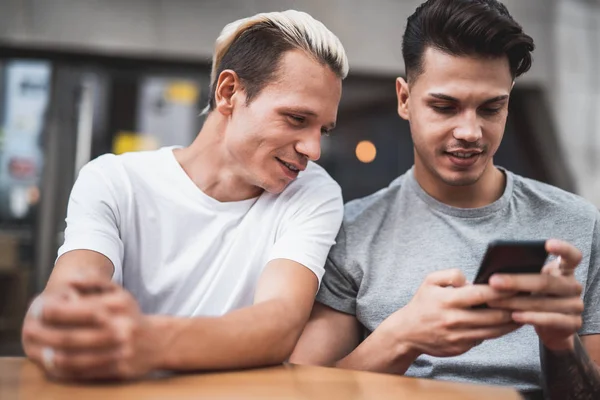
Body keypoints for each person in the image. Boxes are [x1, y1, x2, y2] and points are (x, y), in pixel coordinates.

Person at [290, 1, 600, 399]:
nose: (470, 131)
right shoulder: (352, 231)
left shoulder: (576, 224)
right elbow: (301, 390)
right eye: (444, 107)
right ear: (404, 99)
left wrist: (560, 343)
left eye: (491, 108)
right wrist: (403, 337)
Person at [21, 10, 349, 381]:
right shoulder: (114, 180)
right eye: (296, 119)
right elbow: (67, 301)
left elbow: (279, 324)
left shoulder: (312, 192)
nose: (313, 149)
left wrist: (149, 342)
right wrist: (55, 321)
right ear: (229, 92)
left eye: (324, 130)